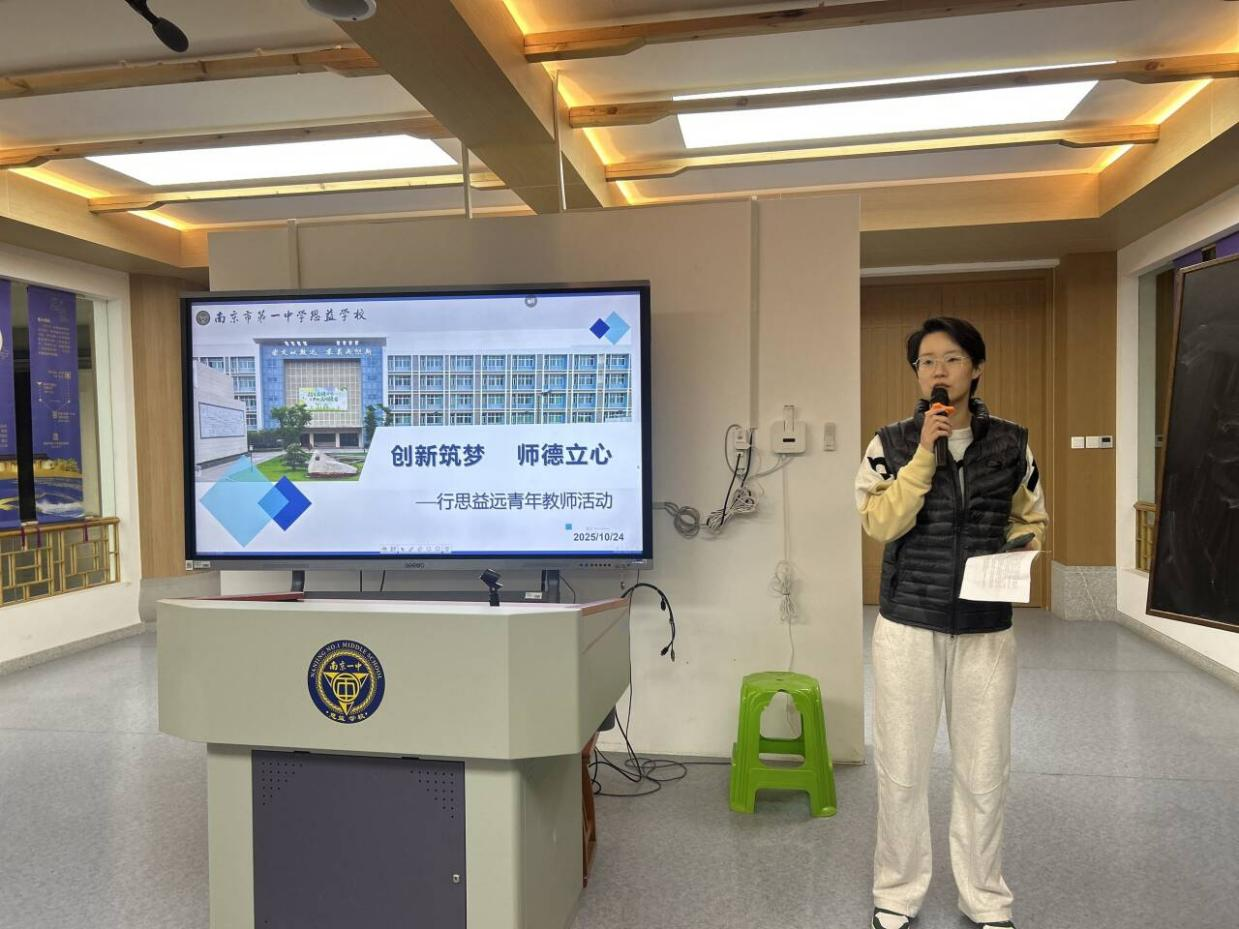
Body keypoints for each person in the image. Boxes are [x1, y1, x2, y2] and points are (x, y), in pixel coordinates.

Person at [854, 317, 1048, 929]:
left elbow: (1032, 518)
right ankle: (896, 892)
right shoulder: (889, 443)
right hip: (908, 623)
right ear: (917, 374)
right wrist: (922, 456)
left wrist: (1023, 544)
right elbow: (880, 523)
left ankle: (986, 898)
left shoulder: (1012, 443)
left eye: (953, 359)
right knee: (902, 768)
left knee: (984, 772)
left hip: (986, 627)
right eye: (927, 362)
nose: (939, 371)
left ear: (976, 368)